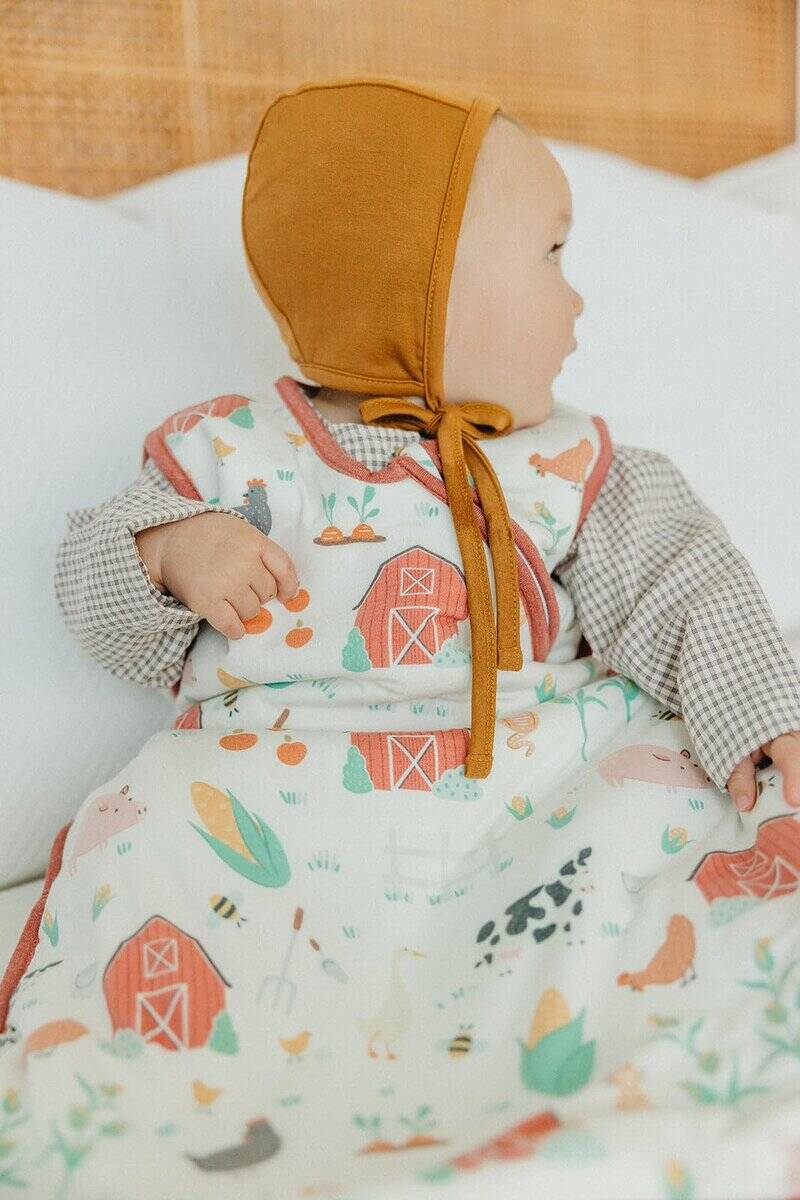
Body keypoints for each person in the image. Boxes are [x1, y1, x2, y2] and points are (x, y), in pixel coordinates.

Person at [55, 109, 800, 809]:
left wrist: (757, 715)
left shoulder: (569, 466)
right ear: (421, 292)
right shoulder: (228, 452)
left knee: (721, 821)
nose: (576, 300)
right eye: (551, 254)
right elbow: (100, 612)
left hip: (533, 789)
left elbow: (686, 589)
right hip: (281, 790)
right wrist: (167, 550)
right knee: (156, 838)